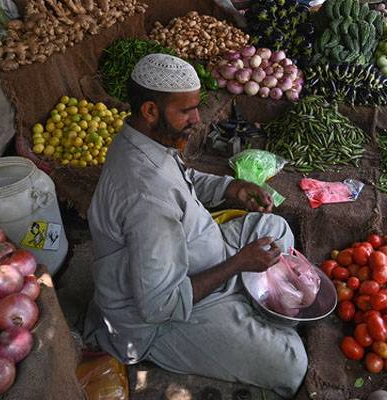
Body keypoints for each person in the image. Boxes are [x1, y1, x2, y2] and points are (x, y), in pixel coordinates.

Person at [83, 53, 307, 398]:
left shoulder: (139, 139)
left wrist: (231, 187)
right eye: (186, 110)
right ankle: (242, 304)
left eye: (196, 107)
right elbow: (160, 305)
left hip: (196, 251)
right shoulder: (147, 201)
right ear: (150, 111)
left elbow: (181, 176)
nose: (198, 119)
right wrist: (238, 264)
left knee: (274, 228)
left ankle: (247, 297)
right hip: (161, 319)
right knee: (291, 363)